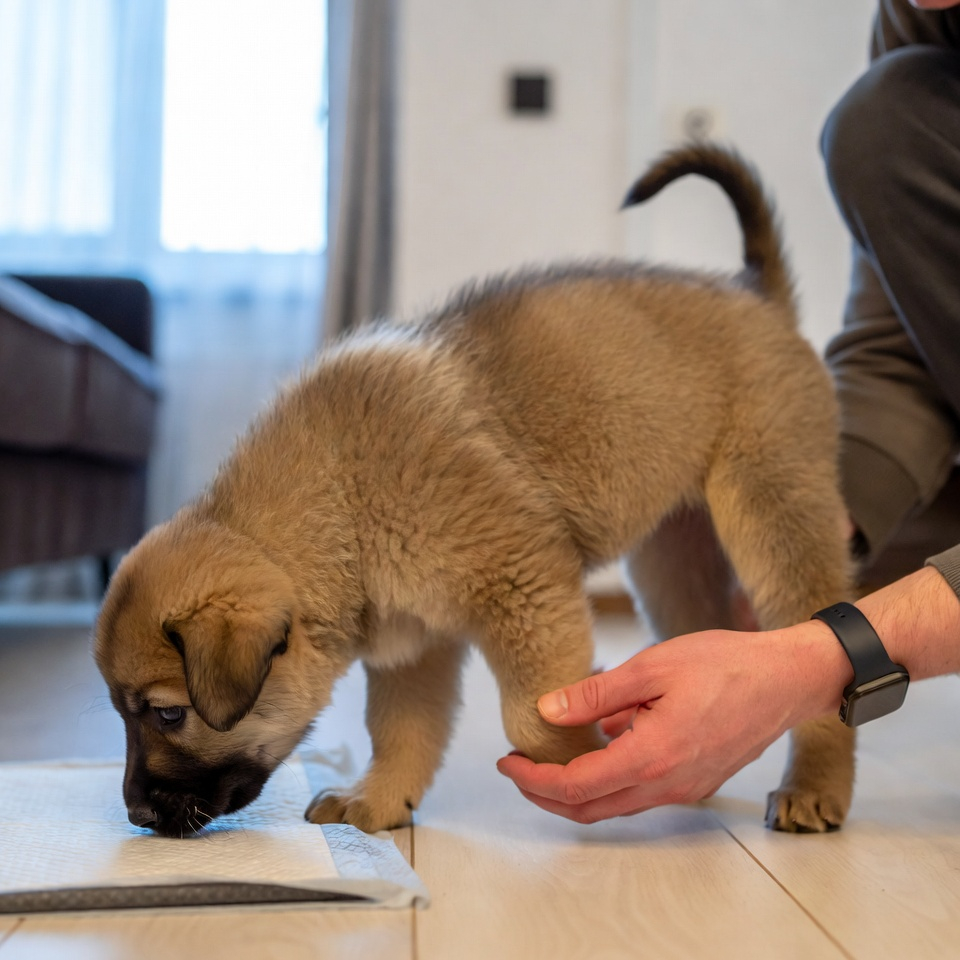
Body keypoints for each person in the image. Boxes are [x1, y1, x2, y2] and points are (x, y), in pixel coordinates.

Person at [497, 0, 960, 822]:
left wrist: (819, 660)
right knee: (796, 558)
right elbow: (897, 343)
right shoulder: (923, 18)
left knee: (887, 118)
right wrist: (827, 526)